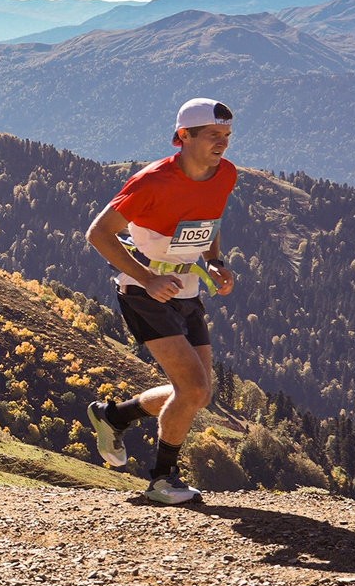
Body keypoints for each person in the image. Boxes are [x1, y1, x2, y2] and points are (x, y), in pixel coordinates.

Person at [83, 97, 240, 507]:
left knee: (198, 393)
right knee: (192, 387)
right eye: (213, 135)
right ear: (183, 136)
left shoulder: (225, 174)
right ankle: (161, 480)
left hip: (188, 289)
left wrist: (215, 262)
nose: (222, 143)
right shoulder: (151, 181)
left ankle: (115, 415)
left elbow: (210, 221)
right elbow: (98, 233)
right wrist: (148, 279)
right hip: (143, 292)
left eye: (226, 135)